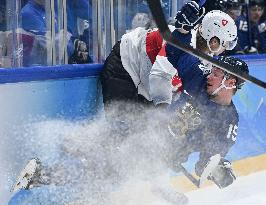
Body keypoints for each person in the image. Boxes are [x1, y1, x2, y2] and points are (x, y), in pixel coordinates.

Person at [20, 0, 92, 66]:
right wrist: (68, 41)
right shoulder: (28, 13)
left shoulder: (49, 9)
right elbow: (51, 48)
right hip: (42, 73)